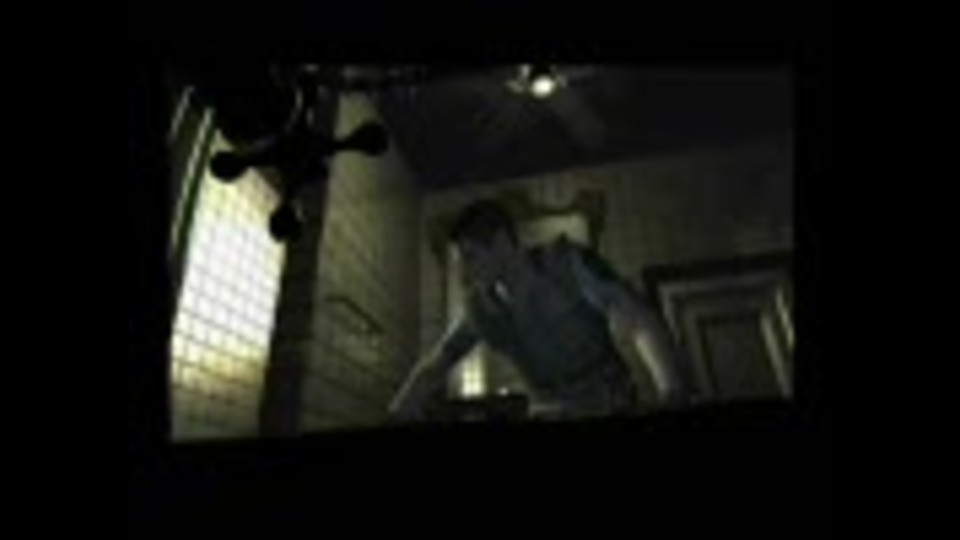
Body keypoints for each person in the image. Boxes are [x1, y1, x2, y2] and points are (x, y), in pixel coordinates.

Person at [389, 199, 691, 422]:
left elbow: (639, 320)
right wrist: (396, 414)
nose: (465, 275)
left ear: (501, 242)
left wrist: (672, 392)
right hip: (548, 411)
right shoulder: (480, 308)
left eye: (471, 257)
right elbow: (436, 364)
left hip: (611, 403)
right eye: (460, 263)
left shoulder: (569, 264)